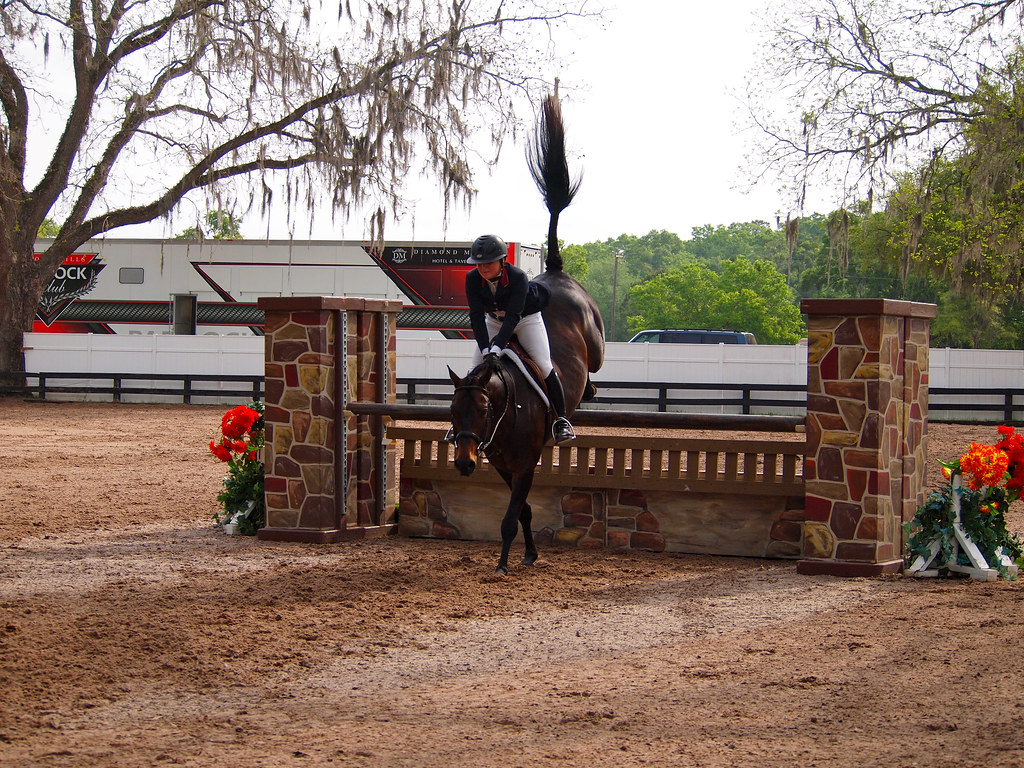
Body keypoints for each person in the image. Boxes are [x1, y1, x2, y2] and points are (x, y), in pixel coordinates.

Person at [464, 234, 575, 445]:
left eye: (488, 263)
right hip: (493, 320)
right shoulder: (472, 279)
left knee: (543, 365)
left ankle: (561, 420)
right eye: (479, 264)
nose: (483, 268)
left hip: (525, 319)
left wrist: (496, 349)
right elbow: (476, 316)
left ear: (502, 261)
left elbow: (513, 317)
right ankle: (462, 424)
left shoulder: (518, 277)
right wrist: (486, 350)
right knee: (473, 370)